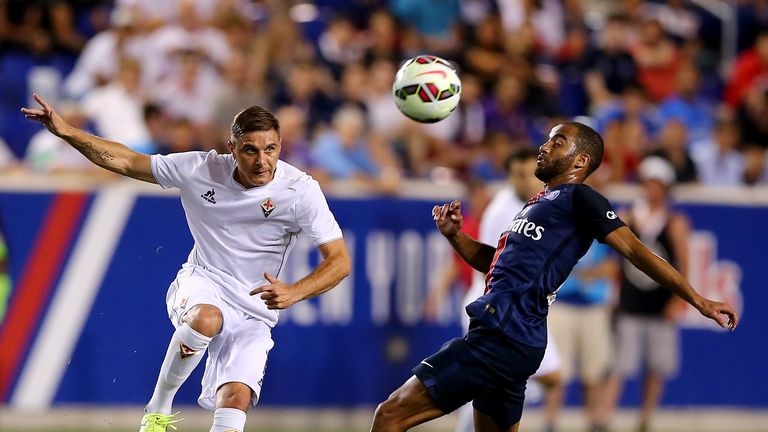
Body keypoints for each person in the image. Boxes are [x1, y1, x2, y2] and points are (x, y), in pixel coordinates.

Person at [369, 122, 738, 432]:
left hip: (501, 335)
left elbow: (637, 252)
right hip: (514, 339)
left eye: (556, 141)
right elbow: (496, 263)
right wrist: (455, 236)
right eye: (547, 138)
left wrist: (699, 300)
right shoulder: (538, 202)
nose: (544, 146)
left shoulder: (582, 199)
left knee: (388, 416)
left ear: (581, 160)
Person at [22, 94, 351, 432]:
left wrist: (295, 292)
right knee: (207, 318)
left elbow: (339, 261)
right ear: (232, 147)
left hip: (254, 309)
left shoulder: (300, 190)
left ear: (281, 145)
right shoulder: (201, 168)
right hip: (202, 281)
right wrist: (66, 132)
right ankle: (158, 410)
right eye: (250, 150)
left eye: (270, 149)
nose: (262, 161)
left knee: (237, 398)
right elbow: (126, 161)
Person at [455, 147, 563, 432]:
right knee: (498, 382)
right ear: (509, 177)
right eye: (520, 174)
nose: (527, 180)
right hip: (496, 304)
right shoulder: (502, 212)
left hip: (517, 306)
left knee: (496, 383)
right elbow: (494, 268)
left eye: (532, 173)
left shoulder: (536, 204)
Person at [599, 156, 690, 432]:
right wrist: (612, 291)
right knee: (619, 366)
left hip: (661, 305)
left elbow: (683, 264)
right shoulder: (628, 216)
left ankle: (645, 418)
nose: (652, 189)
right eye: (649, 183)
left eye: (657, 184)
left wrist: (678, 300)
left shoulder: (675, 222)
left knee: (656, 368)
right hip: (631, 302)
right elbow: (615, 261)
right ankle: (604, 418)